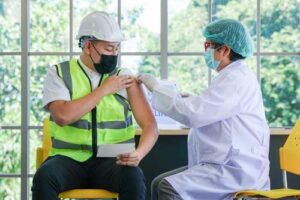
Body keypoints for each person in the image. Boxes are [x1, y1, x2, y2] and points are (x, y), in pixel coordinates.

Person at [32, 11, 158, 200]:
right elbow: (62, 116)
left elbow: (150, 125)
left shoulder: (125, 76)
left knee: (133, 176)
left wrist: (139, 154)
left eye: (117, 48)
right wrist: (104, 90)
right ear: (88, 46)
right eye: (108, 49)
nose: (114, 54)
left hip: (112, 162)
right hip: (68, 160)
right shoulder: (59, 73)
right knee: (44, 176)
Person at [138, 19, 270, 200]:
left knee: (168, 187)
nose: (205, 50)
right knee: (158, 182)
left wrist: (157, 88)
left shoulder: (235, 79)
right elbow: (211, 110)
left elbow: (193, 114)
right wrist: (191, 100)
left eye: (208, 45)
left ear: (225, 50)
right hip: (224, 164)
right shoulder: (231, 76)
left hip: (235, 171)